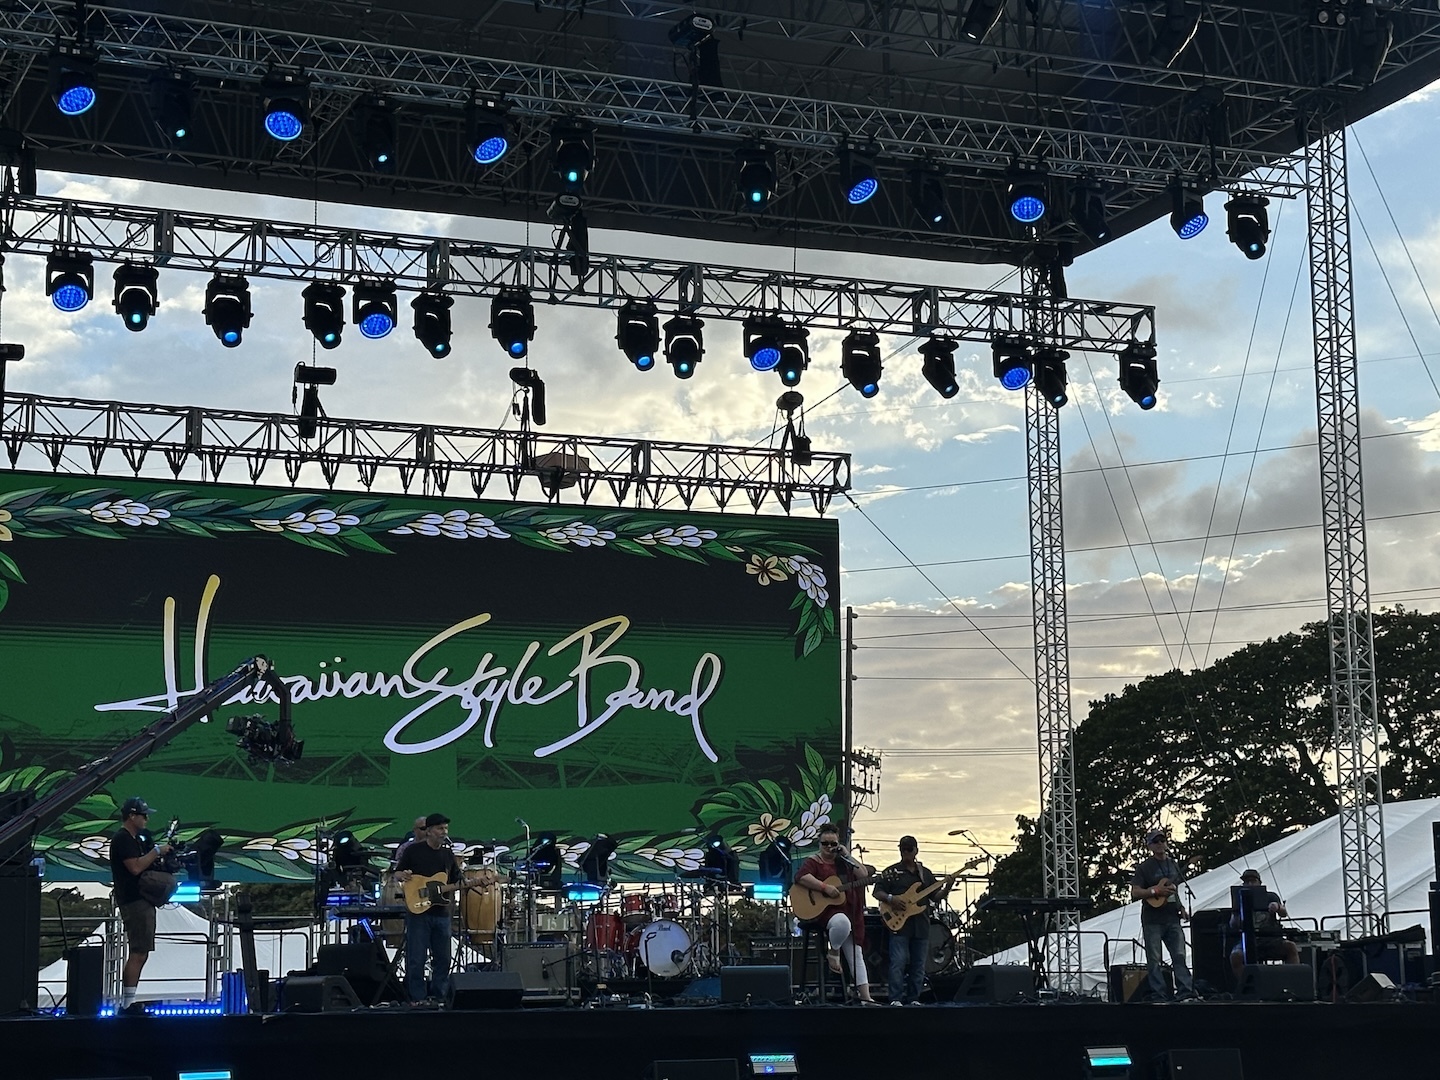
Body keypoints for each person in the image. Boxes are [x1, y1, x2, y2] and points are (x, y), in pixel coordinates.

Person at [795, 823, 877, 1004]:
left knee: (856, 954)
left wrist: (847, 855)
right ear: (819, 843)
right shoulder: (814, 861)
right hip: (825, 913)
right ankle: (833, 952)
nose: (829, 848)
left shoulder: (844, 861)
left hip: (849, 910)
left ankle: (866, 998)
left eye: (833, 844)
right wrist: (824, 887)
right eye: (826, 844)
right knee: (842, 923)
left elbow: (863, 875)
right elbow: (801, 877)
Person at [109, 796, 173, 1013]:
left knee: (141, 951)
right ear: (132, 816)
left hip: (140, 899)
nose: (146, 819)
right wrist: (156, 851)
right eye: (143, 815)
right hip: (134, 900)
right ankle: (127, 1004)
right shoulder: (122, 839)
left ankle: (129, 1002)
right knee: (138, 951)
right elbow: (135, 868)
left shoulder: (135, 839)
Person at [394, 812, 462, 1003]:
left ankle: (440, 997)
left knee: (443, 959)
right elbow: (397, 873)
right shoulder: (413, 851)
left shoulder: (448, 854)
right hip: (418, 913)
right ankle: (418, 999)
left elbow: (456, 880)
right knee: (416, 959)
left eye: (446, 829)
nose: (444, 832)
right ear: (429, 831)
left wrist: (475, 883)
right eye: (440, 828)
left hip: (441, 912)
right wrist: (403, 875)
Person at [873, 835, 941, 1005]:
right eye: (903, 849)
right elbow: (877, 892)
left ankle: (913, 998)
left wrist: (947, 885)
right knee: (898, 961)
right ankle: (895, 998)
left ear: (916, 850)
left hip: (921, 924)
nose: (906, 852)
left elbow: (936, 897)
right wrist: (891, 899)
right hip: (900, 925)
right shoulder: (891, 872)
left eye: (909, 849)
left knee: (918, 965)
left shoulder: (925, 874)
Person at [1129, 828, 1195, 1001]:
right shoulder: (1144, 867)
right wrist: (1154, 890)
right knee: (1155, 959)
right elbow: (1135, 892)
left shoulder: (1173, 864)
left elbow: (1174, 889)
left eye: (1162, 840)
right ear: (1149, 846)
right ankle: (1158, 993)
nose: (1160, 844)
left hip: (1172, 917)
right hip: (1152, 919)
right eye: (1155, 841)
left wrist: (1181, 907)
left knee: (1179, 956)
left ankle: (1185, 990)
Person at [1229, 868, 1299, 981]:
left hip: (1270, 939)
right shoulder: (1240, 898)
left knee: (1290, 947)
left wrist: (1277, 907)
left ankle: (1292, 983)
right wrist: (1237, 915)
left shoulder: (1271, 896)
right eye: (1247, 881)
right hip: (1247, 940)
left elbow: (1284, 914)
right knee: (1235, 957)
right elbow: (1232, 924)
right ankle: (1247, 985)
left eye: (1253, 881)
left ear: (1259, 883)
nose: (1250, 884)